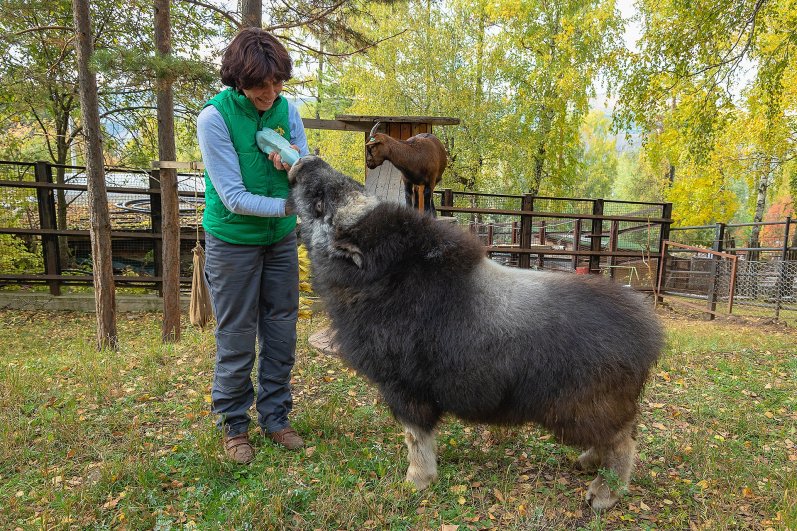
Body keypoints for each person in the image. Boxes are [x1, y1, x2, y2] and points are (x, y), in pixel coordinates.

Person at [197, 27, 309, 464]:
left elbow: (301, 161)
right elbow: (234, 198)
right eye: (262, 84)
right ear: (238, 80)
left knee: (282, 328)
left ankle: (276, 418)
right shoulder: (215, 118)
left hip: (279, 241)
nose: (271, 91)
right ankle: (234, 425)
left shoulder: (286, 109)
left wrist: (295, 163)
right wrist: (294, 207)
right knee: (237, 334)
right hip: (233, 241)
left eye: (278, 82)